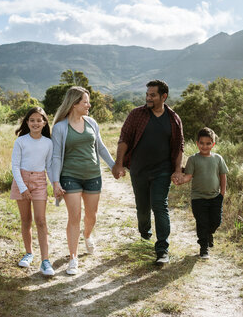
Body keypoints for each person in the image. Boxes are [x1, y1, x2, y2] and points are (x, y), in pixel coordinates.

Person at [112, 80, 184, 265]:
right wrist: (118, 164)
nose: (148, 98)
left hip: (162, 171)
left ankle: (162, 250)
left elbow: (178, 147)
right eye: (147, 94)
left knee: (160, 206)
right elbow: (124, 139)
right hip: (139, 170)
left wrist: (177, 170)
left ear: (164, 96)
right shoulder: (137, 114)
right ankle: (145, 236)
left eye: (153, 95)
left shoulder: (173, 119)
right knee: (143, 209)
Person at [51, 86, 116, 275]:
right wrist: (56, 182)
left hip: (93, 175)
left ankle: (87, 236)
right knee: (74, 217)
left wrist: (113, 166)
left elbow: (101, 147)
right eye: (85, 101)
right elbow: (56, 157)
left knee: (91, 216)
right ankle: (73, 257)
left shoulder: (91, 123)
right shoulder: (60, 127)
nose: (89, 105)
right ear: (74, 104)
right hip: (70, 177)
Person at [10, 106, 55, 276]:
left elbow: (49, 166)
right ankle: (29, 253)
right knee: (26, 220)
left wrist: (55, 184)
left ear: (44, 123)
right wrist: (22, 188)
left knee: (41, 220)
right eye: (32, 120)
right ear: (27, 122)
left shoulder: (48, 143)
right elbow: (15, 166)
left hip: (39, 181)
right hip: (21, 180)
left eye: (39, 120)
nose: (35, 123)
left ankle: (45, 261)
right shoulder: (21, 141)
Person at [174, 127, 228, 259]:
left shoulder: (218, 159)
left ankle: (209, 234)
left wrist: (222, 193)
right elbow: (188, 176)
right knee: (202, 222)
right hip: (198, 198)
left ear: (213, 144)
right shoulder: (193, 159)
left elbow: (223, 176)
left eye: (208, 143)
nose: (205, 146)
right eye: (202, 143)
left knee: (216, 221)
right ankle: (204, 248)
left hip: (215, 197)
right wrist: (180, 181)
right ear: (197, 143)